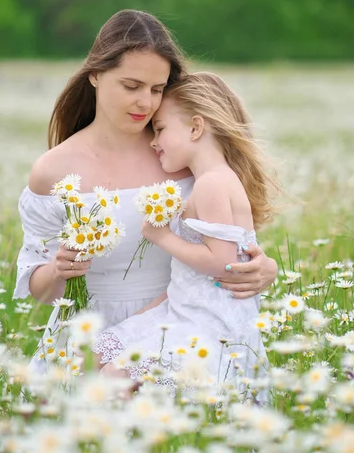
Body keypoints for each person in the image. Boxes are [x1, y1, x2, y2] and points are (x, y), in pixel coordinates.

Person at [13, 9, 277, 373]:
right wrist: (60, 270)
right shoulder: (53, 171)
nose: (146, 103)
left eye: (157, 89)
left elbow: (230, 245)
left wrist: (266, 268)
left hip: (184, 332)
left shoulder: (179, 157)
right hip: (90, 336)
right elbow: (38, 289)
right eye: (131, 86)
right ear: (95, 75)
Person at [93, 71, 277, 395]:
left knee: (114, 377)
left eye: (160, 129)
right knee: (102, 354)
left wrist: (163, 237)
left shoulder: (211, 184)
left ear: (195, 127)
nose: (153, 141)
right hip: (187, 311)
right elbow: (195, 277)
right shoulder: (213, 181)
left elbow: (222, 264)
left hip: (210, 326)